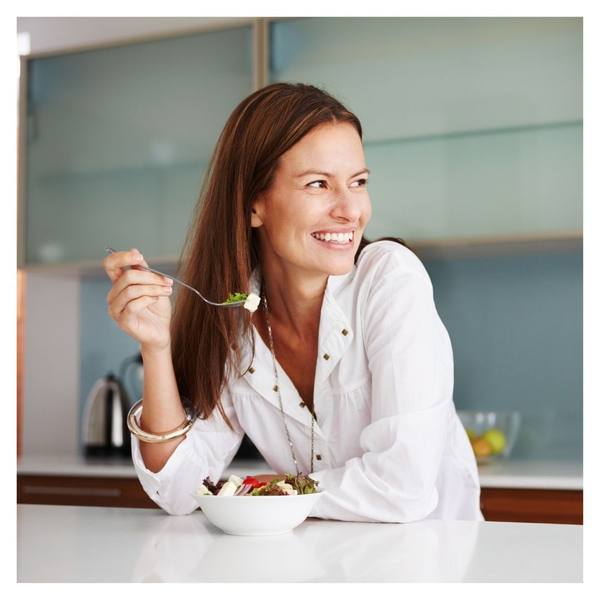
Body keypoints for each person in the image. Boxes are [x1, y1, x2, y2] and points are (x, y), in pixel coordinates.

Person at [103, 82, 483, 522]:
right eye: (319, 184)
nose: (350, 210)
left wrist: (250, 495)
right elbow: (178, 489)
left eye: (358, 182)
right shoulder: (233, 317)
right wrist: (156, 346)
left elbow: (402, 487)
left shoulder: (390, 279)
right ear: (252, 205)